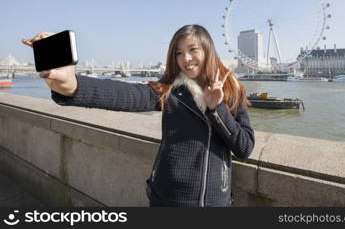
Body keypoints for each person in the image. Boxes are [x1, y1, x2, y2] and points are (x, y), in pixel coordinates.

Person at [22, 24, 255, 207]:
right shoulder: (169, 91)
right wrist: (72, 85)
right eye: (179, 53)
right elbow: (126, 95)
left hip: (215, 202)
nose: (186, 59)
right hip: (167, 198)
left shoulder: (233, 90)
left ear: (207, 50)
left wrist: (217, 108)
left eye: (193, 50)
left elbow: (244, 147)